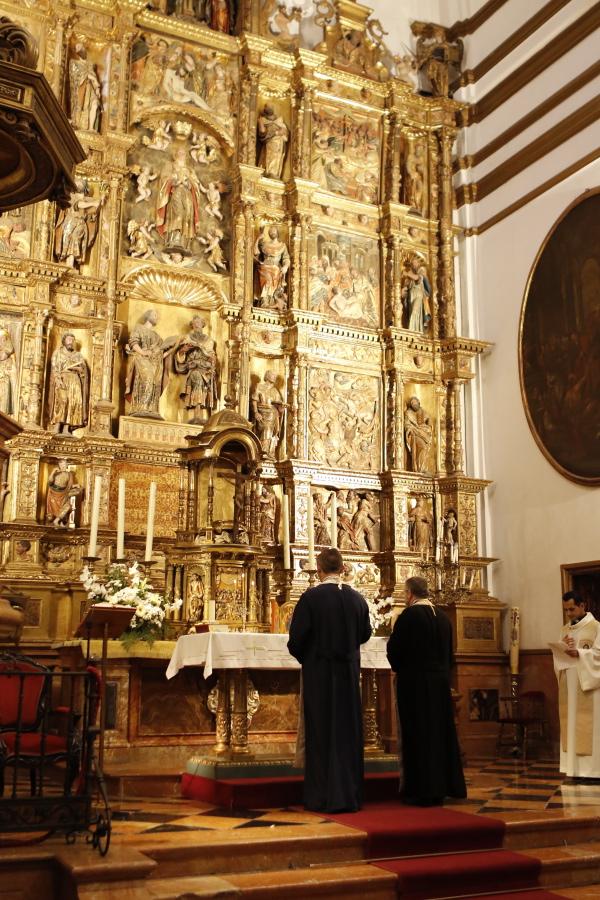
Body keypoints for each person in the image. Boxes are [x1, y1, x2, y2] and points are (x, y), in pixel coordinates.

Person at [288, 548, 371, 813]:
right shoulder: (357, 599)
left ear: (320, 569)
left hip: (320, 676)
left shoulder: (311, 597)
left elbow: (296, 639)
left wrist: (309, 657)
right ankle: (348, 796)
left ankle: (320, 797)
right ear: (342, 568)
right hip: (347, 676)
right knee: (346, 733)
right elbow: (365, 634)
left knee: (321, 731)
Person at [386, 576, 466, 806]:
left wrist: (401, 668)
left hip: (414, 686)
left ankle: (421, 790)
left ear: (410, 594)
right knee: (440, 733)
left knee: (418, 735)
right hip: (440, 685)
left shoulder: (408, 616)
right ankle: (443, 786)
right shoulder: (443, 617)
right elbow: (449, 656)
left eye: (404, 592)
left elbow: (395, 650)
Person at [555, 591, 600, 779]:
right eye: (566, 610)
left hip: (588, 687)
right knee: (570, 725)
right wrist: (560, 648)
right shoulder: (565, 630)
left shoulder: (596, 627)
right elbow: (558, 656)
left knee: (589, 727)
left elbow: (598, 654)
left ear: (583, 605)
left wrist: (580, 654)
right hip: (569, 685)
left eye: (572, 609)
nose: (569, 614)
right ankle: (573, 769)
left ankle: (593, 772)